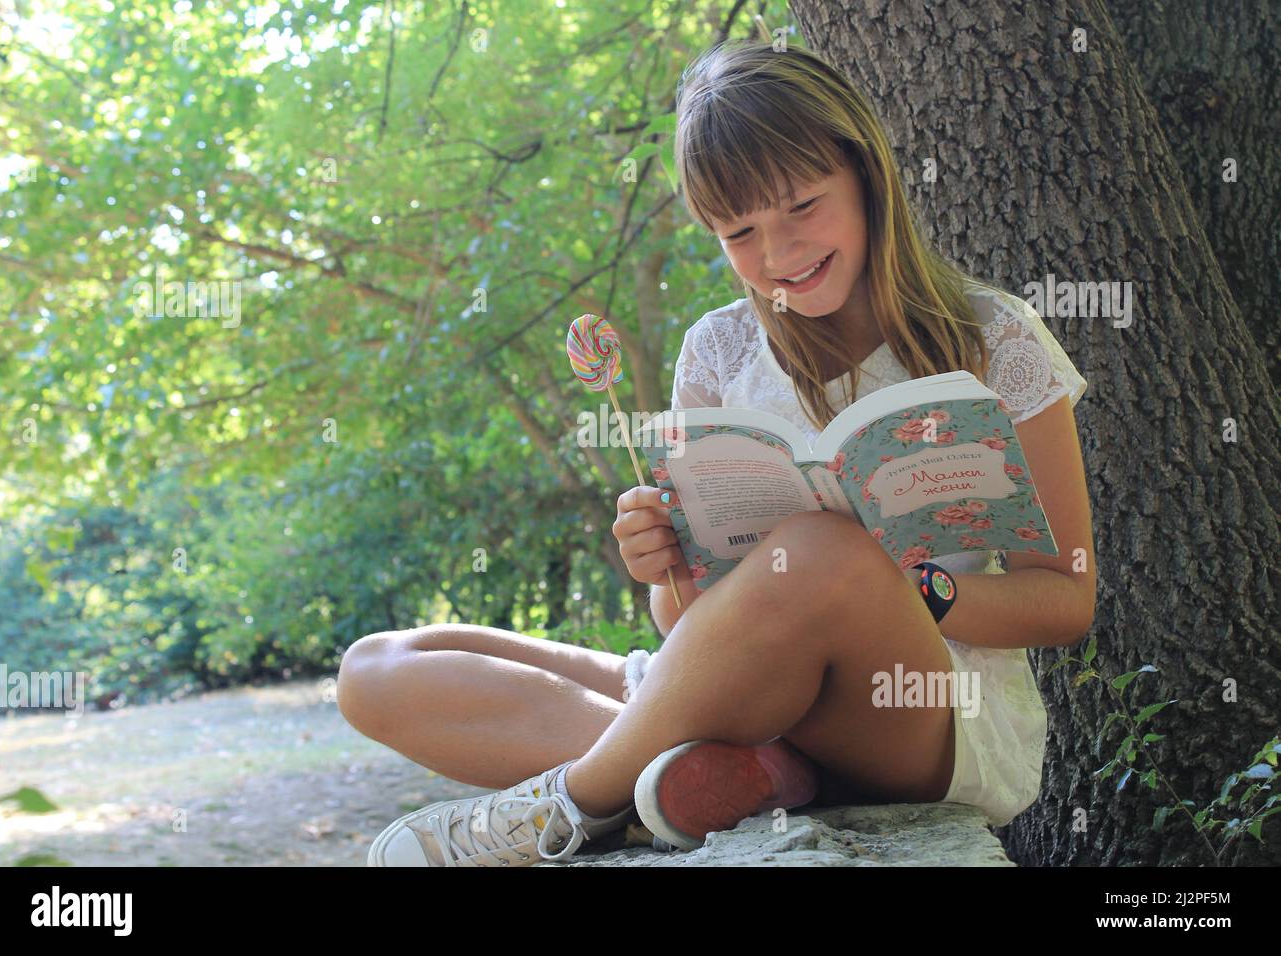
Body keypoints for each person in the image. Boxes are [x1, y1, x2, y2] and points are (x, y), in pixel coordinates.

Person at [340, 38, 1096, 867]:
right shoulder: (717, 353)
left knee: (819, 555)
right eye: (739, 231)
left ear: (867, 176)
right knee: (378, 668)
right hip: (750, 692)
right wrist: (666, 565)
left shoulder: (993, 341)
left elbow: (1065, 600)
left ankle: (571, 803)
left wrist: (906, 587)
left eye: (803, 206)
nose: (778, 255)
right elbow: (687, 623)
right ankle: (751, 773)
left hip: (922, 709)